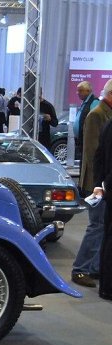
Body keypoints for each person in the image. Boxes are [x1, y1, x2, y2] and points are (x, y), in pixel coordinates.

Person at [72, 79, 112, 288]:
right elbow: (93, 152)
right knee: (96, 226)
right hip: (97, 182)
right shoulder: (97, 115)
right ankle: (80, 269)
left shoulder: (104, 113)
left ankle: (95, 268)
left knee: (102, 226)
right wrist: (100, 183)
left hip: (102, 181)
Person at [93, 110, 112, 299]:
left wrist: (100, 184)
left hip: (108, 187)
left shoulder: (108, 124)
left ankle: (106, 286)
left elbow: (98, 157)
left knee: (107, 237)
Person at [74, 81, 100, 161]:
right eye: (78, 90)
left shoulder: (94, 102)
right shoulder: (85, 102)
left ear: (88, 91)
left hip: (88, 142)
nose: (78, 93)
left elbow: (94, 123)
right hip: (82, 141)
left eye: (80, 91)